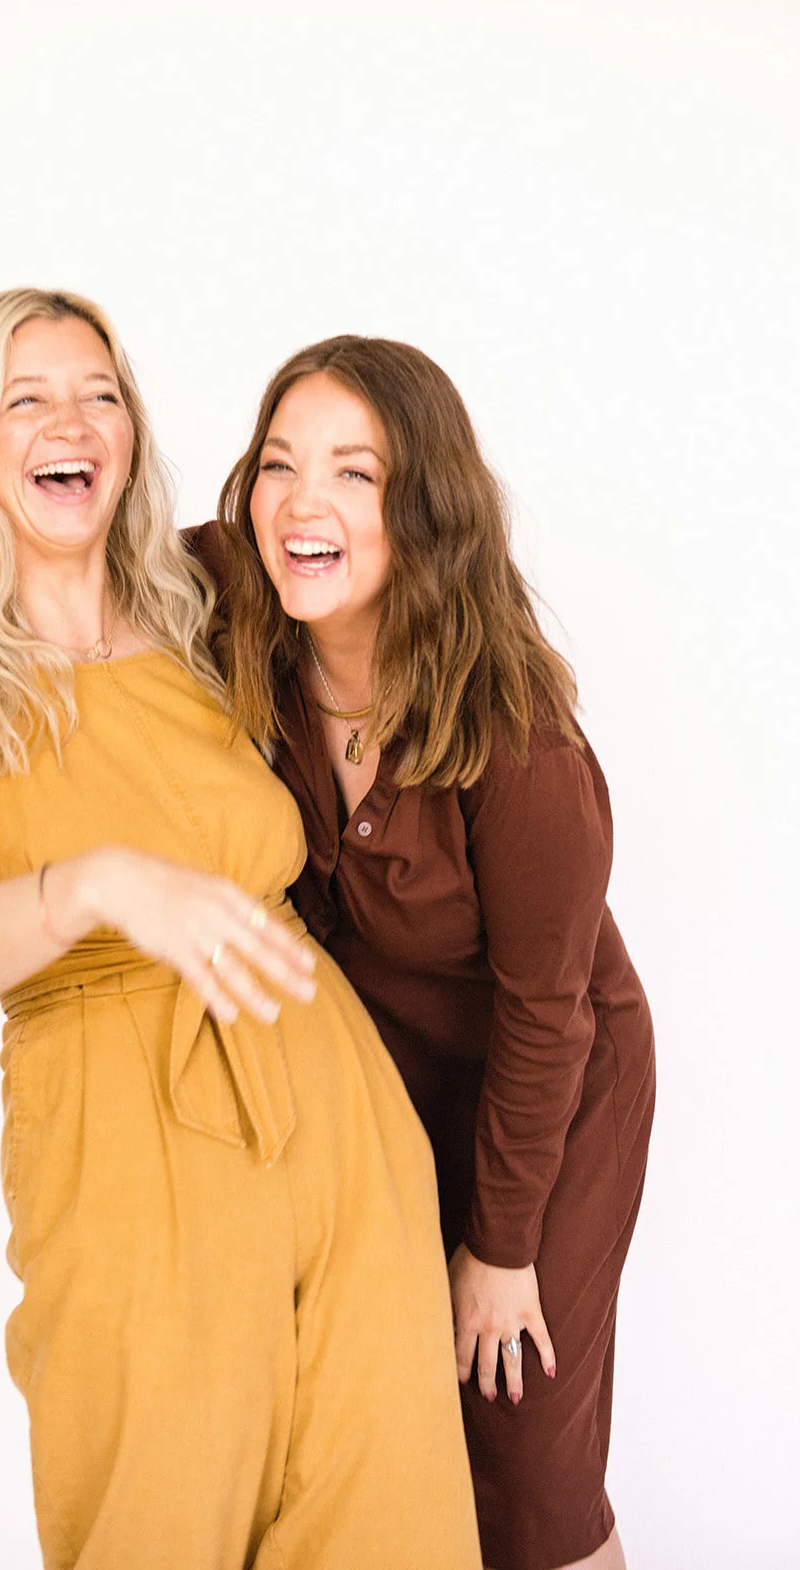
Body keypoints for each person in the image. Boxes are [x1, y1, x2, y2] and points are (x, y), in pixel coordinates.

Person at [0, 292, 481, 1570]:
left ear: (130, 434)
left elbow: (400, 604)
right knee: (153, 1513)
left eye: (101, 394)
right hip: (117, 1139)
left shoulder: (210, 623)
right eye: (26, 398)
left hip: (337, 1115)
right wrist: (91, 885)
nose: (71, 422)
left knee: (381, 1509)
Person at [192, 335, 655, 1570]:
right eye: (278, 463)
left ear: (426, 510)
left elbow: (548, 1013)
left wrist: (501, 1249)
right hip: (382, 1095)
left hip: (549, 1096)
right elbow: (104, 564)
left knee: (524, 1454)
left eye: (354, 473)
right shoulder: (247, 602)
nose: (302, 502)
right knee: (398, 1438)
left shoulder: (518, 744)